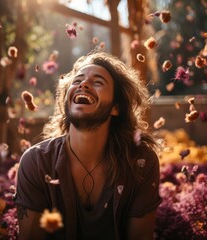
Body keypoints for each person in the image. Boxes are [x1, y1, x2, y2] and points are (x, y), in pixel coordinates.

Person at [14, 49, 161, 240]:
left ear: (116, 107)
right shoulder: (36, 163)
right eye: (77, 81)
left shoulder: (141, 162)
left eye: (98, 82)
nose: (83, 84)